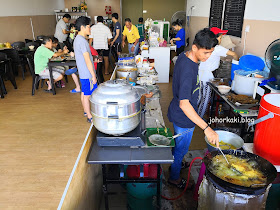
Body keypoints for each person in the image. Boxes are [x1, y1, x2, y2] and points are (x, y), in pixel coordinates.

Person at [167, 28, 219, 189]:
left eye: (211, 52)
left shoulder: (185, 56)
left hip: (179, 112)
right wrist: (206, 128)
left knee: (179, 146)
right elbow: (184, 104)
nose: (208, 56)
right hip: (184, 117)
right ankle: (174, 178)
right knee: (182, 149)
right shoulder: (189, 69)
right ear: (195, 48)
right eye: (206, 52)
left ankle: (175, 163)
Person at [197, 27, 239, 118]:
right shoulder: (217, 48)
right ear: (214, 38)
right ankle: (199, 118)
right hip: (206, 76)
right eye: (220, 38)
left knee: (200, 97)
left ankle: (193, 115)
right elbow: (234, 54)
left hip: (200, 73)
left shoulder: (206, 45)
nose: (221, 40)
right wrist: (237, 64)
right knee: (205, 99)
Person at [74, 16, 98, 123]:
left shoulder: (77, 39)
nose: (90, 29)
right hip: (87, 74)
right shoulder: (82, 41)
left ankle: (85, 111)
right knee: (88, 95)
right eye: (89, 27)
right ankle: (89, 116)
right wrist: (93, 75)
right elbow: (88, 60)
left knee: (84, 93)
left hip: (83, 73)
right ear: (82, 27)